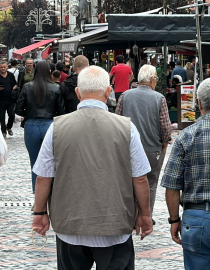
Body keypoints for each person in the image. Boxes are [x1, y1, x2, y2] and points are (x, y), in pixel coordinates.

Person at [32, 66, 152, 270]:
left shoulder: (57, 127)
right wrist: (145, 214)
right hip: (115, 224)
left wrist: (40, 212)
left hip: (70, 225)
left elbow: (44, 177)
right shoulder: (126, 128)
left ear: (78, 93)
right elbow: (139, 178)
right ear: (108, 91)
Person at [161, 78, 210, 270]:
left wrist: (174, 219)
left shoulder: (186, 135)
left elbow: (172, 185)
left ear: (198, 103)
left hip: (196, 218)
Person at [116, 64, 172, 225]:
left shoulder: (125, 96)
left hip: (127, 149)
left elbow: (117, 120)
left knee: (128, 182)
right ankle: (147, 215)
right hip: (152, 148)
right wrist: (164, 145)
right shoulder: (159, 98)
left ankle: (131, 216)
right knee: (151, 183)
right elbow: (166, 128)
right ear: (153, 79)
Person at [15, 61, 64, 196]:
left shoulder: (27, 87)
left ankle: (37, 195)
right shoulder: (56, 88)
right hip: (49, 124)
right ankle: (51, 194)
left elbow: (18, 109)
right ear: (49, 71)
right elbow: (61, 111)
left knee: (34, 163)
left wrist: (29, 112)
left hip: (31, 125)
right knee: (52, 162)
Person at [0, 60, 17, 137]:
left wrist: (15, 87)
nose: (3, 68)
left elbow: (15, 83)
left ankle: (8, 127)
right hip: (0, 99)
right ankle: (3, 131)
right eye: (1, 67)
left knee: (12, 115)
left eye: (4, 67)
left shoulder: (11, 75)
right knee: (1, 117)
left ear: (7, 67)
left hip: (11, 99)